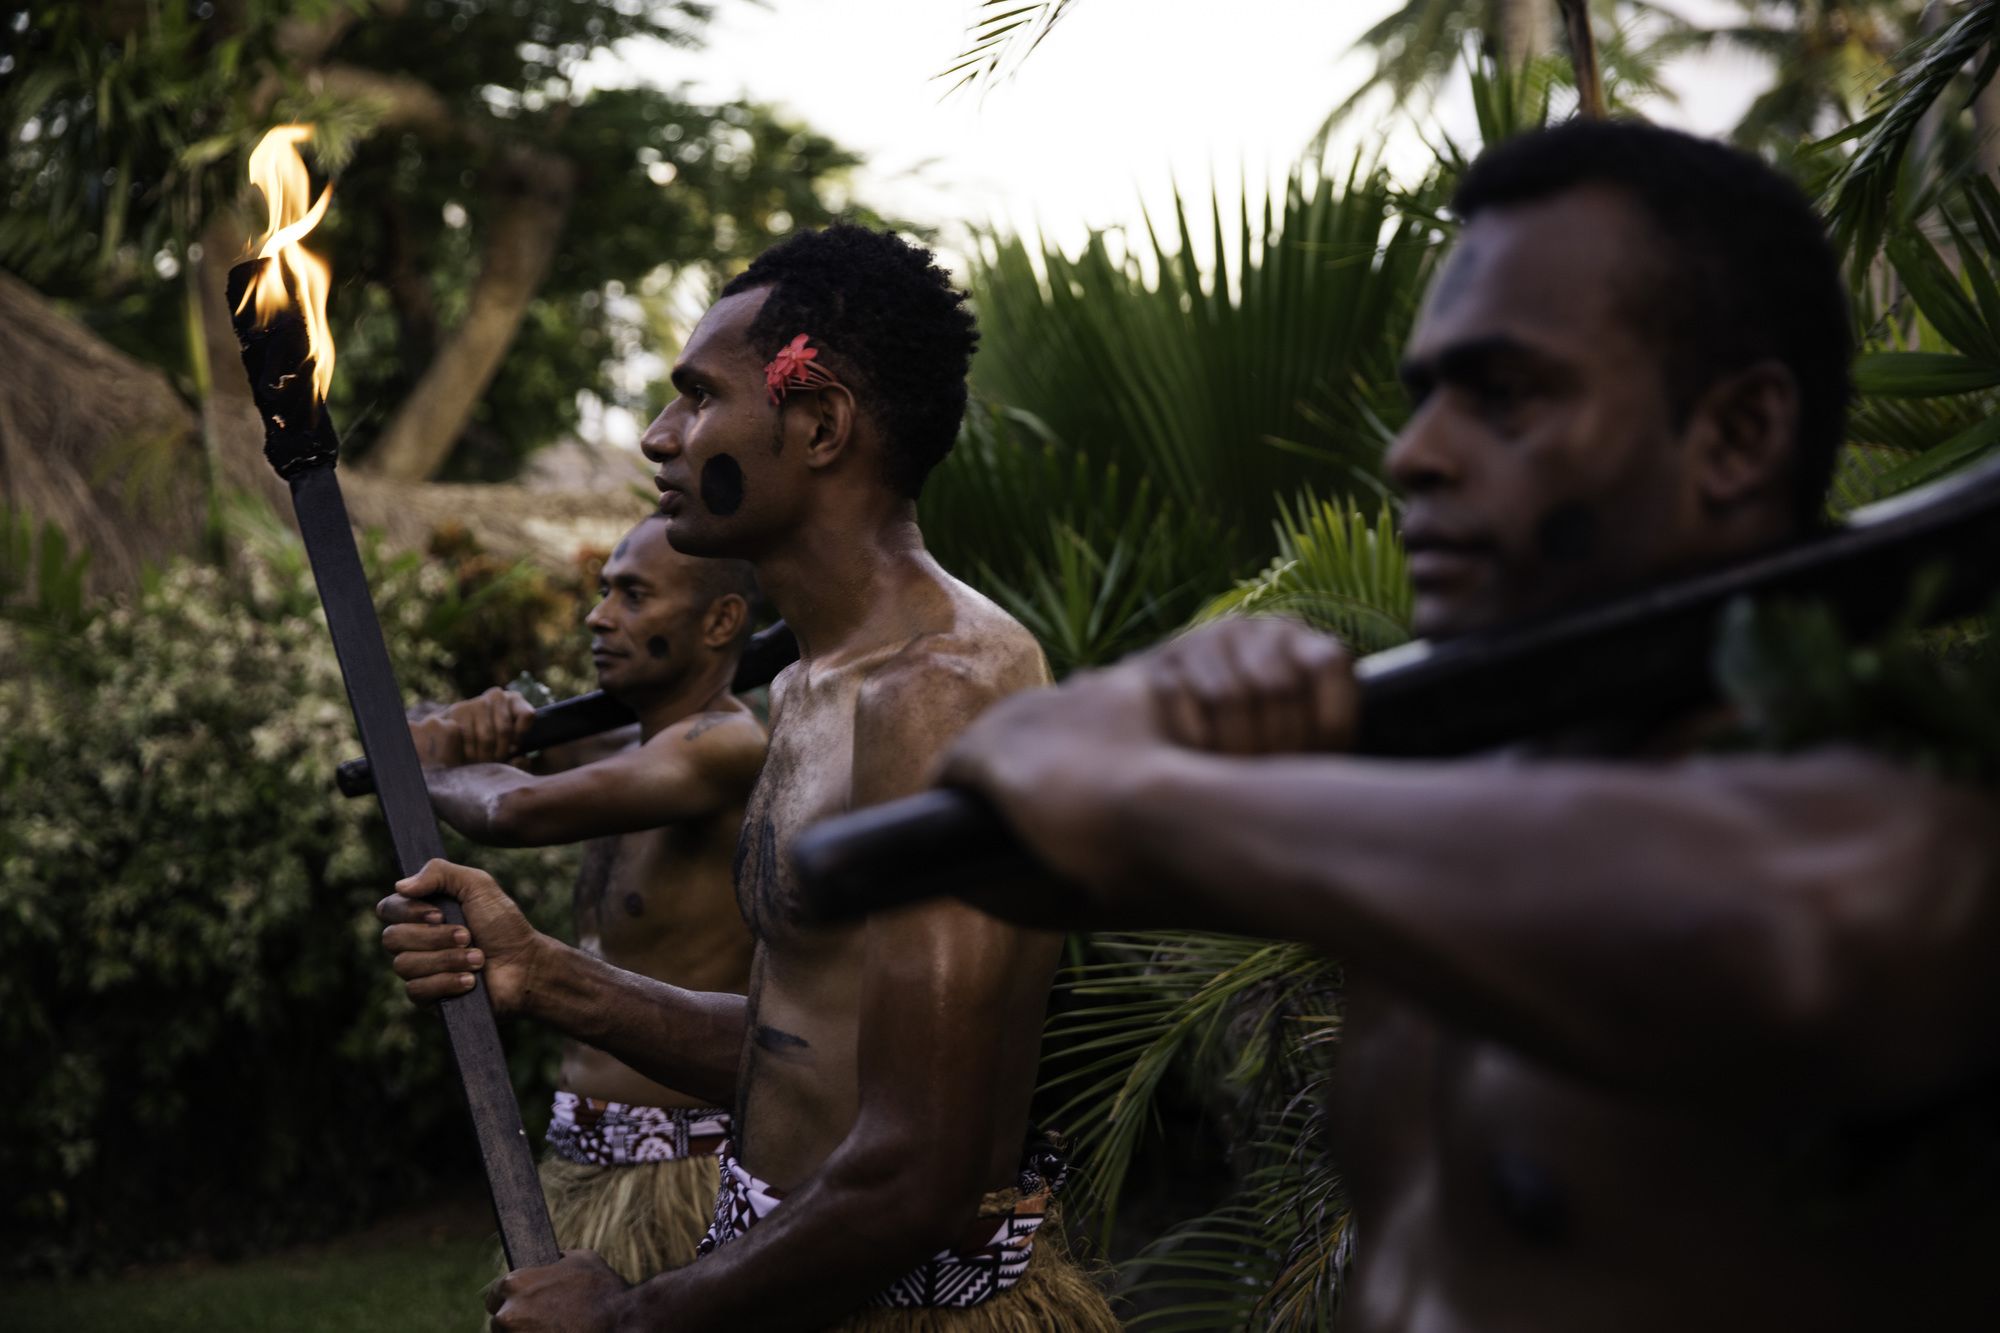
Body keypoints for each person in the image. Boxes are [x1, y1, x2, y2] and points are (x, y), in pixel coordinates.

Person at [928, 121, 2000, 1331]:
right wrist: (1141, 703)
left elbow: (1770, 926)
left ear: (1737, 435)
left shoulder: (1901, 834)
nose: (1414, 454)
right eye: (1424, 395)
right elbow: (1019, 848)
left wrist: (1139, 783)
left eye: (1502, 396)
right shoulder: (1441, 805)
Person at [378, 225, 1119, 1330]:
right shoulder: (821, 682)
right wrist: (541, 972)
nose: (657, 437)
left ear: (816, 424)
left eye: (695, 398)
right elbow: (803, 1053)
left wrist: (628, 1318)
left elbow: (922, 1165)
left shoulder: (941, 690)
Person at [408, 516, 765, 1281]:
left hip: (688, 1173)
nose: (599, 615)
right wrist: (474, 722)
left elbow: (515, 809)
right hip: (582, 1158)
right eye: (604, 590)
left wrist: (429, 765)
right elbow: (514, 759)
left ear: (721, 620)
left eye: (633, 595)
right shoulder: (622, 750)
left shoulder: (724, 748)